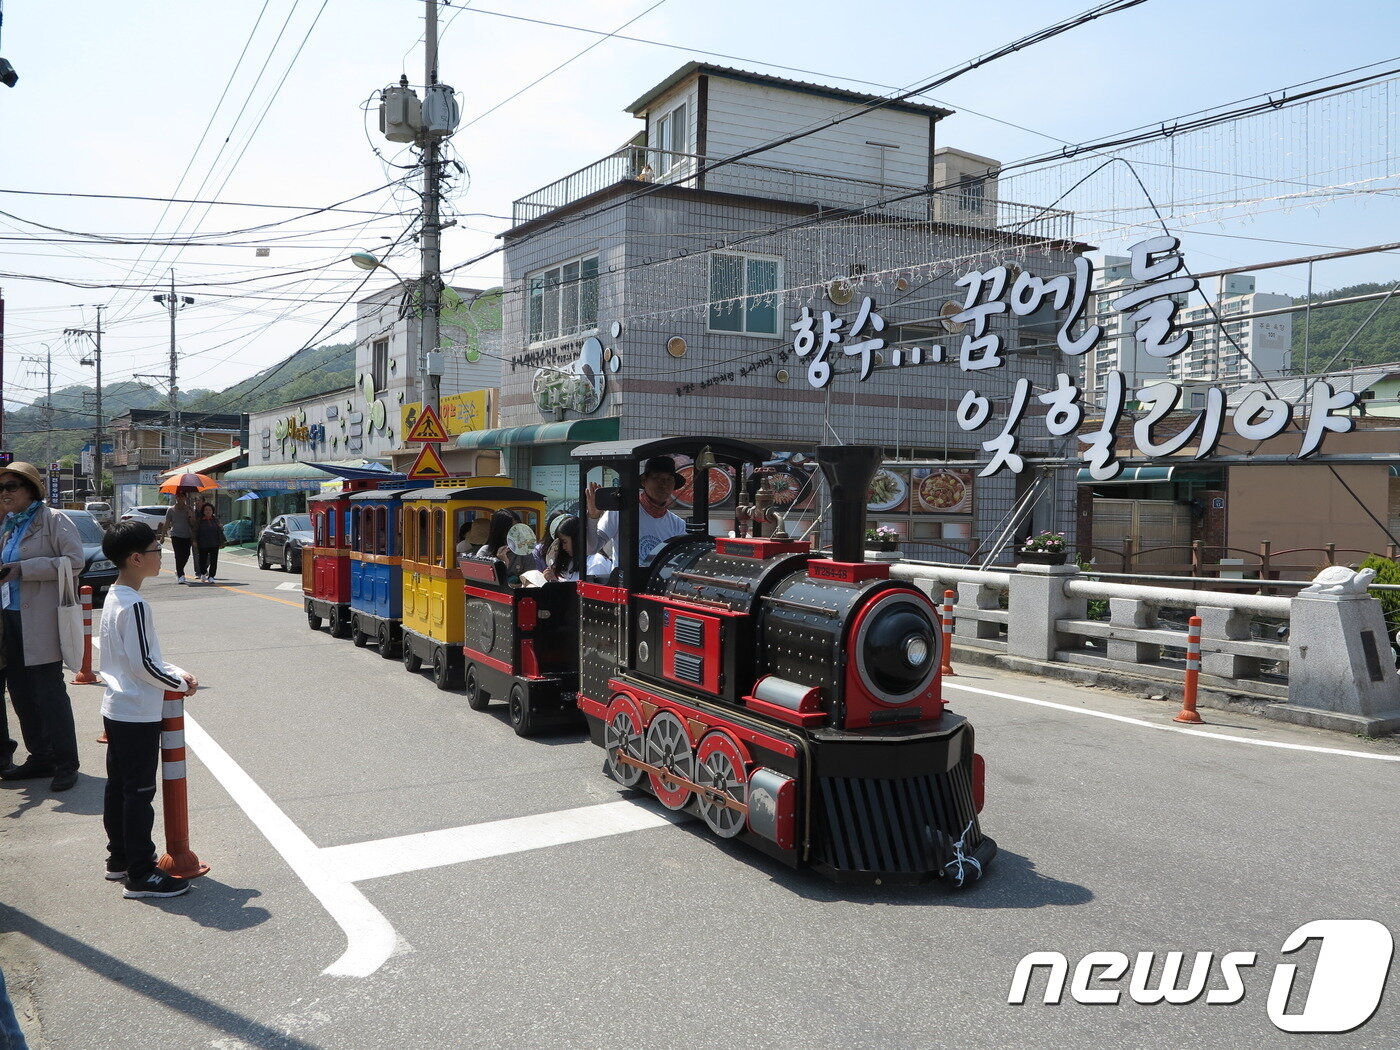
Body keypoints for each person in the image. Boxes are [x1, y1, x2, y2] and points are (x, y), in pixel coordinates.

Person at [98, 520, 198, 899]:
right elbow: (143, 665)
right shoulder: (136, 604)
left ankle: (119, 859)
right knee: (139, 793)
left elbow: (138, 658)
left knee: (119, 789)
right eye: (157, 550)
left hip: (118, 706)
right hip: (138, 711)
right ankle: (141, 873)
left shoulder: (114, 595)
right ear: (137, 558)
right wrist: (180, 683)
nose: (162, 555)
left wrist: (172, 671)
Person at [0, 461, 84, 792]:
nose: (4, 493)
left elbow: (75, 561)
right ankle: (41, 756)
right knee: (21, 691)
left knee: (49, 693)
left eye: (11, 487)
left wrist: (24, 569)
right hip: (10, 616)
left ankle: (66, 762)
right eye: (0, 488)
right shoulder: (8, 525)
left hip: (41, 619)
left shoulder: (53, 519)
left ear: (32, 489)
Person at [586, 455, 687, 567]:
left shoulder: (678, 525)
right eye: (657, 478)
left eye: (669, 480)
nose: (664, 485)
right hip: (625, 583)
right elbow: (591, 548)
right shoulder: (621, 512)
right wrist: (593, 517)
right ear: (644, 481)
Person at [475, 509, 534, 586]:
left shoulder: (524, 551)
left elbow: (532, 580)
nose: (516, 534)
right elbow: (484, 584)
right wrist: (503, 564)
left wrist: (516, 586)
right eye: (511, 530)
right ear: (500, 531)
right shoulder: (485, 552)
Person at [157, 491, 198, 584]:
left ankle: (179, 569)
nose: (180, 498)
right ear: (176, 498)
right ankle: (181, 574)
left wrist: (190, 515)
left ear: (185, 498)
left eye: (182, 496)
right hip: (175, 535)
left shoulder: (189, 508)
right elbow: (167, 523)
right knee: (178, 555)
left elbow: (193, 523)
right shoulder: (171, 510)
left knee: (186, 554)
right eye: (178, 496)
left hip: (187, 535)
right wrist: (162, 536)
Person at [539, 514, 582, 583]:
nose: (563, 547)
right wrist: (554, 580)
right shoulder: (571, 563)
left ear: (576, 539)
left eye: (564, 542)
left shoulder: (594, 562)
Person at [193, 502, 223, 583]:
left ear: (212, 511)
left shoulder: (215, 520)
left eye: (210, 510)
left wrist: (220, 527)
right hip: (203, 543)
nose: (208, 511)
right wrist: (194, 540)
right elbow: (195, 531)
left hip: (214, 543)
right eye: (206, 510)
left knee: (214, 561)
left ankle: (211, 576)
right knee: (202, 560)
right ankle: (203, 573)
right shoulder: (199, 520)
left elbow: (219, 531)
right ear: (203, 511)